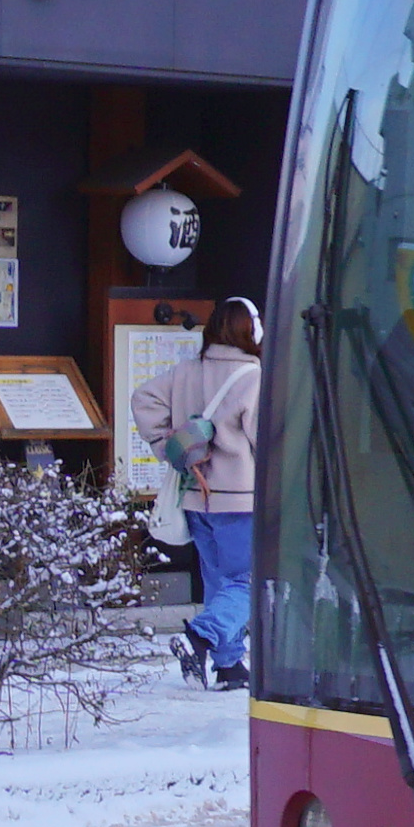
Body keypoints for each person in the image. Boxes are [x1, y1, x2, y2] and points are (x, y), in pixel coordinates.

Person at [130, 296, 264, 691]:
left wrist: (165, 444)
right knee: (249, 580)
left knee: (218, 580)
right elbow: (267, 442)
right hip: (240, 498)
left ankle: (228, 666)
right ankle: (201, 636)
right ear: (250, 330)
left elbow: (143, 399)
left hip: (196, 496)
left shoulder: (185, 371)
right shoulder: (254, 378)